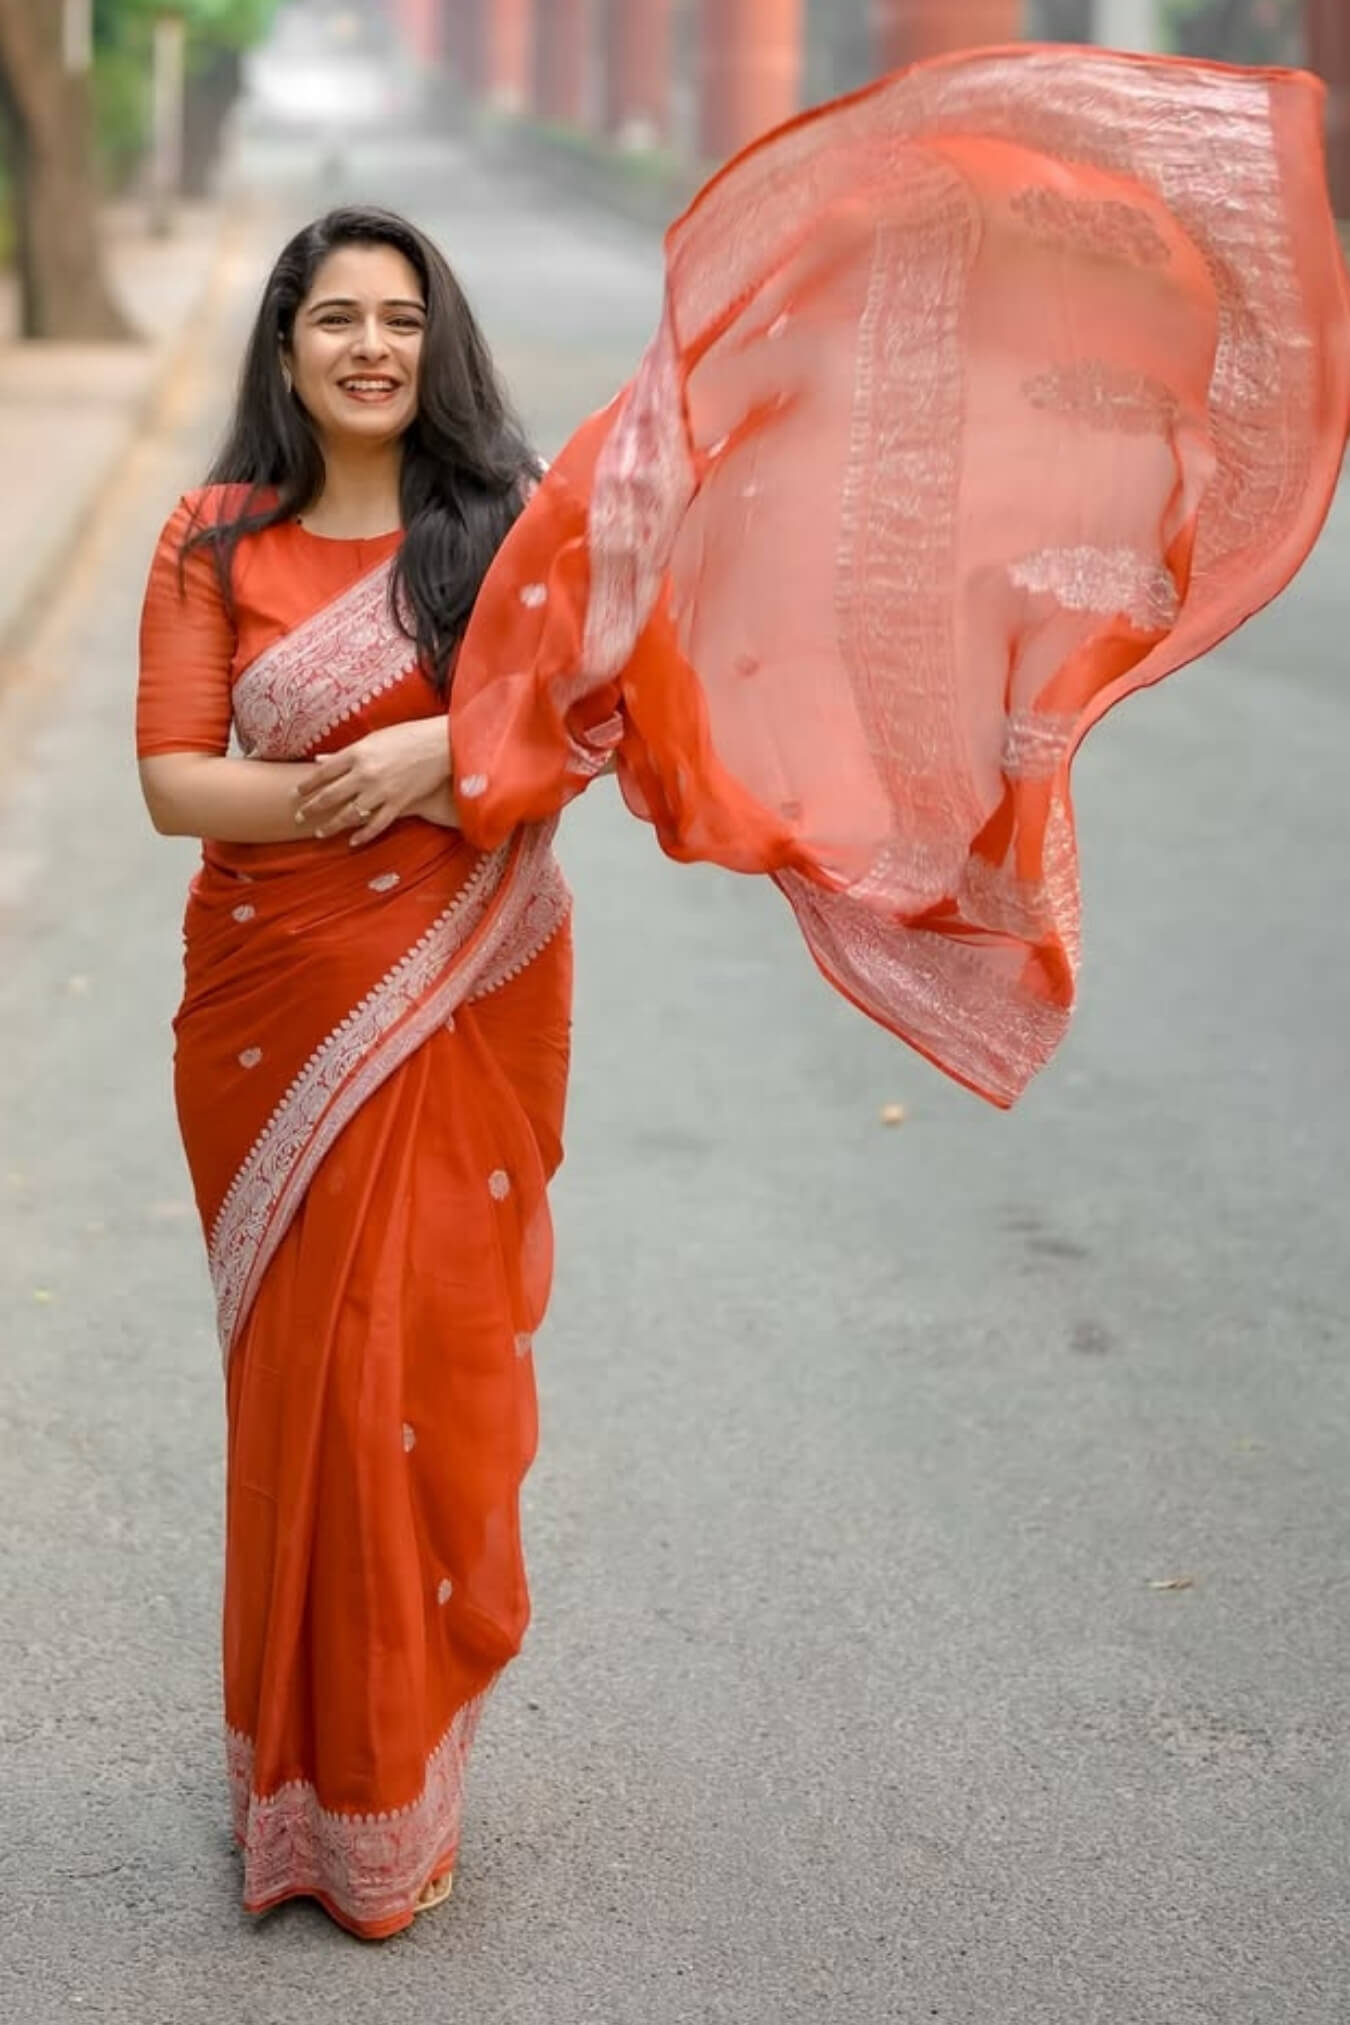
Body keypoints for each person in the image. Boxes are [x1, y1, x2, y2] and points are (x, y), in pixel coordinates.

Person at [138, 44, 1348, 1942]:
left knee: (415, 1375)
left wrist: (449, 759)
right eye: (334, 318)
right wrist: (357, 785)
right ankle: (285, 1785)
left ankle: (380, 1782)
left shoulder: (506, 528)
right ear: (283, 348)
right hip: (268, 1013)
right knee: (300, 1386)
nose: (369, 346)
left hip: (461, 997)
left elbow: (596, 713)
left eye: (399, 318)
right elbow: (170, 780)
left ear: (436, 348)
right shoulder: (211, 537)